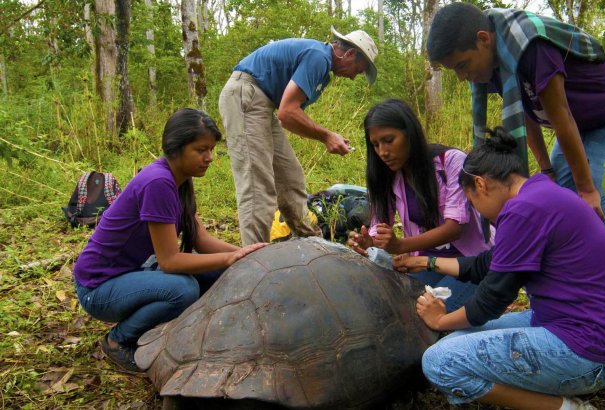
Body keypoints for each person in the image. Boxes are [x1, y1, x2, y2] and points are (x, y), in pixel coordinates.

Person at [394, 128, 605, 410]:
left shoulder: (522, 211)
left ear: (481, 185)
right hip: (571, 327)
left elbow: (490, 301)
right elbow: (488, 264)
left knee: (439, 362)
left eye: (473, 203)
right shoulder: (539, 194)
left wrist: (439, 320)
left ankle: (566, 408)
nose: (481, 214)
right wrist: (426, 261)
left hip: (590, 351)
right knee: (457, 338)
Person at [426, 2, 605, 251]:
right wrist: (546, 169)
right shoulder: (495, 62)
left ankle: (603, 285)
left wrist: (587, 189)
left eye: (462, 65)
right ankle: (569, 275)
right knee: (560, 199)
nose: (462, 77)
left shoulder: (531, 46)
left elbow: (562, 116)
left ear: (483, 40)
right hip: (580, 119)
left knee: (595, 208)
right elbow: (525, 111)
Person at [73, 109, 267, 372]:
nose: (209, 158)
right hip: (98, 287)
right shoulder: (158, 182)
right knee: (182, 289)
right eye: (201, 150)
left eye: (211, 149)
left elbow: (202, 240)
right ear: (176, 148)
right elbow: (170, 261)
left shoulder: (180, 179)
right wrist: (230, 257)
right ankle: (117, 341)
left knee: (219, 269)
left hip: (134, 272)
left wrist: (248, 255)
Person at [219, 27, 378, 246]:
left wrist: (326, 136)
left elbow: (288, 114)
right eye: (358, 70)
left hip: (262, 104)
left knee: (291, 178)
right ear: (349, 54)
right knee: (258, 187)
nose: (353, 77)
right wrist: (327, 136)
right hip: (246, 96)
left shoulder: (321, 64)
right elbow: (288, 113)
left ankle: (312, 244)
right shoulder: (319, 56)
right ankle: (254, 259)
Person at [347, 99, 492, 312]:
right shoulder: (387, 175)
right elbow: (379, 227)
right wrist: (369, 241)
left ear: (410, 133)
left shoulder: (450, 161)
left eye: (389, 140)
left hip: (470, 264)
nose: (382, 152)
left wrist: (400, 246)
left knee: (427, 315)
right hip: (425, 263)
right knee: (394, 306)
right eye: (376, 145)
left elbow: (455, 227)